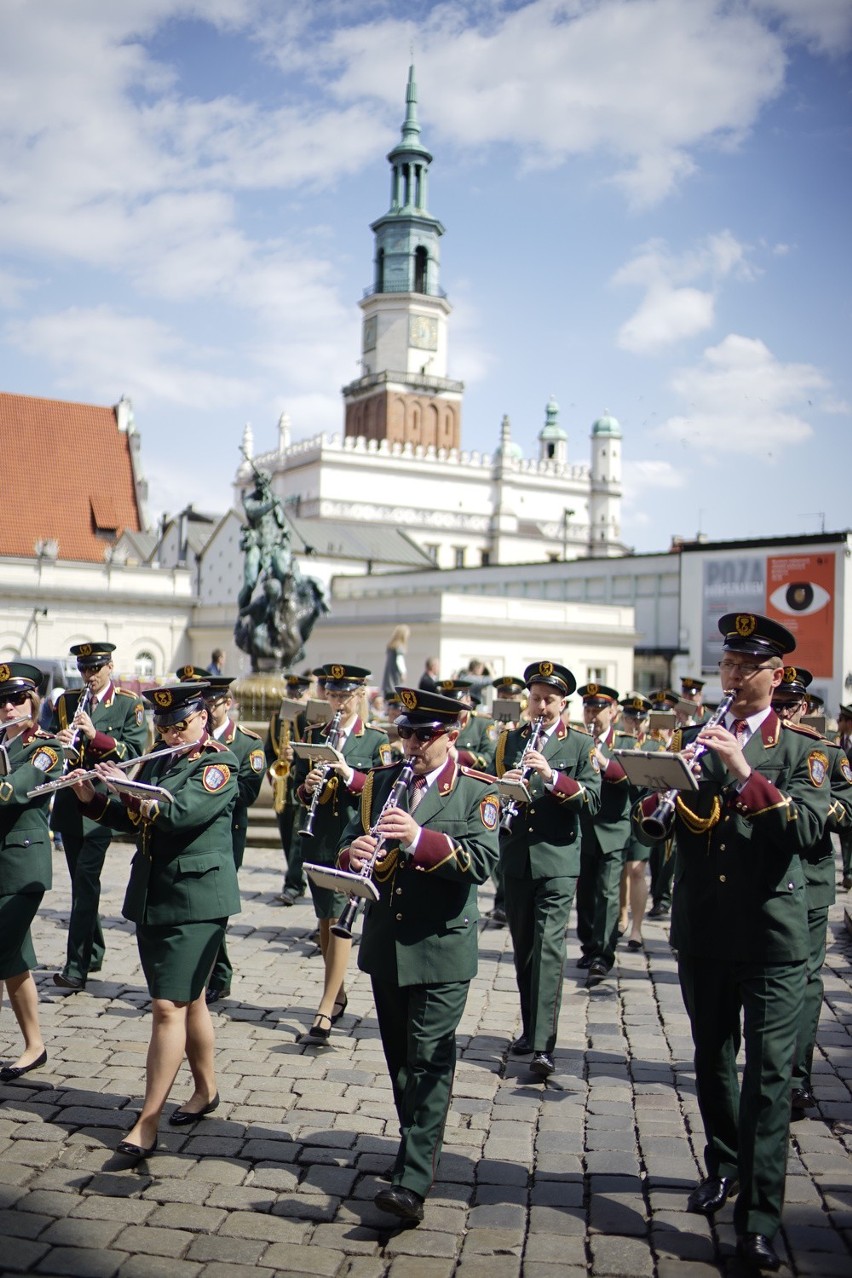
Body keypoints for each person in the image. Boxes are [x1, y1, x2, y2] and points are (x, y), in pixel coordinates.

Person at [634, 613, 830, 1274]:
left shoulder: (803, 749)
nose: (735, 674)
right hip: (704, 925)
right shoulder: (692, 736)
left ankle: (759, 1219)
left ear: (776, 676)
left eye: (749, 665)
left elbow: (804, 833)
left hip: (772, 934)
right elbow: (662, 828)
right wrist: (658, 798)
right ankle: (724, 1165)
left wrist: (744, 768)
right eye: (729, 662)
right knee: (713, 1060)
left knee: (769, 1079)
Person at [338, 686, 499, 1223]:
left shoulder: (477, 790)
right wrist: (352, 850)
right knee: (401, 1060)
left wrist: (418, 839)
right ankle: (419, 1145)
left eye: (422, 736)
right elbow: (346, 839)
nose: (409, 744)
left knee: (430, 1059)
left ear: (451, 734)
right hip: (387, 942)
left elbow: (481, 862)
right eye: (404, 732)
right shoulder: (383, 781)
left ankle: (411, 1180)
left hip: (441, 946)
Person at [70, 682, 240, 1159]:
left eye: (178, 725)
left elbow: (176, 814)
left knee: (168, 1008)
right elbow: (132, 821)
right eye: (161, 726)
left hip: (197, 901)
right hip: (155, 895)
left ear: (202, 718)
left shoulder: (217, 764)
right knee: (192, 1000)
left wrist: (124, 787)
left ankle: (147, 1122)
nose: (168, 734)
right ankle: (206, 1091)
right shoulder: (161, 757)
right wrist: (92, 798)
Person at [495, 661, 601, 1076]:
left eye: (549, 700)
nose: (541, 706)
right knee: (525, 947)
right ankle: (529, 1027)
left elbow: (591, 800)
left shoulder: (578, 745)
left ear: (563, 704)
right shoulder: (510, 740)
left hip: (557, 859)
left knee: (550, 947)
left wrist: (552, 776)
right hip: (518, 854)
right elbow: (494, 786)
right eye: (536, 698)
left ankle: (543, 1044)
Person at [771, 667, 852, 1115]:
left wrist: (818, 809)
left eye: (790, 705)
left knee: (804, 980)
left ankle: (797, 1077)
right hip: (763, 878)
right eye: (777, 703)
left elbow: (850, 808)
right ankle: (769, 1066)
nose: (783, 712)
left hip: (810, 877)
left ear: (804, 707)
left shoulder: (825, 751)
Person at [294, 664, 390, 1043]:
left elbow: (381, 787)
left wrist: (348, 774)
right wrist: (308, 784)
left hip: (349, 839)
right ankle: (339, 993)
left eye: (344, 696)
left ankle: (326, 1007)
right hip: (317, 836)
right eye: (332, 695)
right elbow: (301, 795)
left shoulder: (375, 740)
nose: (337, 703)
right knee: (323, 922)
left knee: (339, 919)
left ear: (360, 695)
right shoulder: (315, 735)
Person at [50, 642, 147, 990]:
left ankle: (76, 966)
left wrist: (96, 736)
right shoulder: (65, 702)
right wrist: (58, 741)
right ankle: (94, 950)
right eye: (84, 670)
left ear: (109, 666)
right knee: (80, 882)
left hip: (101, 806)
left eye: (95, 669)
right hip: (68, 803)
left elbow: (135, 753)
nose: (89, 676)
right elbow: (47, 741)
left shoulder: (127, 703)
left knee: (86, 883)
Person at [0, 662, 64, 1082]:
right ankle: (34, 1044)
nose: (8, 707)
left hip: (22, 865)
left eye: (17, 699)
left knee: (2, 948)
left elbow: (13, 790)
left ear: (33, 702)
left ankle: (34, 1043)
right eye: (2, 700)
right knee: (13, 957)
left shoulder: (47, 746)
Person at [192, 675, 265, 1004]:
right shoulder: (192, 738)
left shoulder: (248, 744)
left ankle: (219, 973)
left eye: (215, 703)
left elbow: (248, 792)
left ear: (228, 703)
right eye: (204, 703)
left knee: (215, 903)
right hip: (192, 830)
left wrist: (206, 791)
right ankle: (214, 970)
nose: (209, 709)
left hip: (226, 833)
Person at [575, 684, 633, 986]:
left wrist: (605, 762)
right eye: (588, 709)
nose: (593, 715)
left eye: (598, 709)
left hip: (612, 828)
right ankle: (588, 945)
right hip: (584, 827)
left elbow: (631, 778)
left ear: (613, 711)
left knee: (609, 893)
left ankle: (603, 953)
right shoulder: (578, 740)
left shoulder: (625, 741)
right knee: (584, 893)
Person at [615, 693, 659, 949]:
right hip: (620, 814)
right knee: (622, 871)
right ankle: (622, 915)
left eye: (640, 719)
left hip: (643, 815)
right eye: (631, 718)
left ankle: (637, 929)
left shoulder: (655, 746)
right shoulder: (618, 744)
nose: (636, 723)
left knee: (637, 870)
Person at [265, 672, 312, 905]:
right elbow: (267, 751)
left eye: (299, 693)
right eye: (291, 692)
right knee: (286, 836)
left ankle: (292, 884)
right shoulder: (276, 719)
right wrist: (272, 774)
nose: (294, 697)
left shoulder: (311, 719)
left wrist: (297, 754)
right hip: (282, 785)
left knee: (296, 838)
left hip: (301, 785)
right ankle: (297, 881)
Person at [836, 703, 852, 889]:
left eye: (841, 719)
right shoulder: (838, 740)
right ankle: (848, 872)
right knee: (845, 837)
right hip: (845, 798)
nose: (838, 722)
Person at [381, 625, 409, 699]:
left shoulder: (391, 647)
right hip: (395, 681)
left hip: (388, 682)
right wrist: (403, 672)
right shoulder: (399, 647)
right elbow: (399, 660)